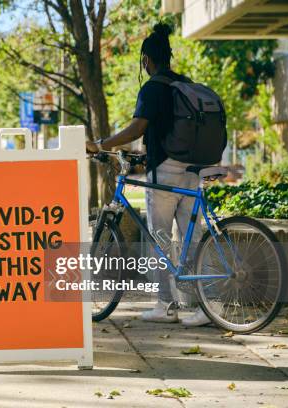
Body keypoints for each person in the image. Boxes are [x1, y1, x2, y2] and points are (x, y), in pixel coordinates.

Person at [86, 23, 210, 327]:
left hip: (165, 172)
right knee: (190, 237)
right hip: (190, 168)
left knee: (160, 238)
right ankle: (202, 308)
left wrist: (100, 144)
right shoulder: (185, 84)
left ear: (146, 60)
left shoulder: (152, 88)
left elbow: (137, 128)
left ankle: (165, 306)